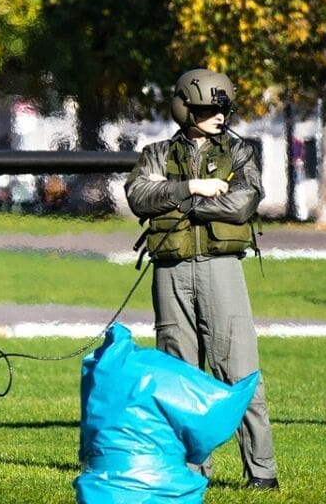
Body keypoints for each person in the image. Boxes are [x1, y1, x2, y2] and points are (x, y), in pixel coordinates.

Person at [124, 68, 278, 490]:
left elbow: (242, 203)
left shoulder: (240, 152)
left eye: (223, 108)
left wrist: (177, 201)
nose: (219, 116)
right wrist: (195, 187)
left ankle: (262, 473)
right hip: (170, 272)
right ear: (184, 109)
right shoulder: (156, 153)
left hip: (220, 269)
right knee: (178, 375)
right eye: (209, 108)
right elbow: (137, 195)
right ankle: (189, 472)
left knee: (240, 370)